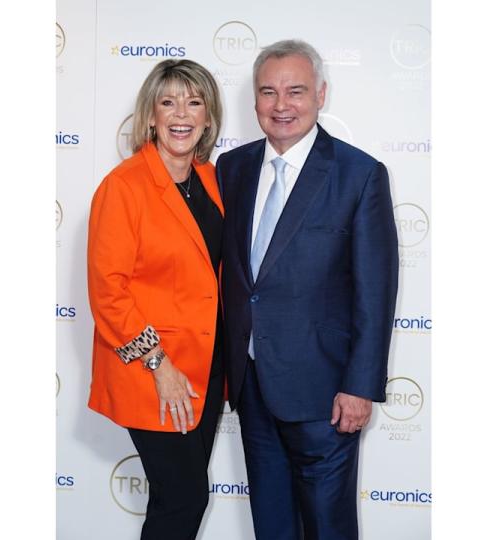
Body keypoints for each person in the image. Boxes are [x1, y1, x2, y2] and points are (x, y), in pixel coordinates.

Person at [217, 40, 398, 540]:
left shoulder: (359, 175)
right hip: (252, 385)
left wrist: (361, 386)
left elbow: (376, 293)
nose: (281, 105)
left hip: (326, 394)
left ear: (321, 94)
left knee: (327, 526)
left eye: (295, 91)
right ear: (254, 101)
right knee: (271, 525)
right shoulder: (231, 170)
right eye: (268, 92)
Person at [87, 58, 225, 540]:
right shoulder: (123, 187)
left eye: (194, 101)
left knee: (179, 498)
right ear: (150, 115)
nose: (180, 113)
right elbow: (108, 292)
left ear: (208, 116)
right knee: (184, 497)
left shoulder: (209, 179)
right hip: (159, 374)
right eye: (168, 102)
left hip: (207, 369)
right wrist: (158, 364)